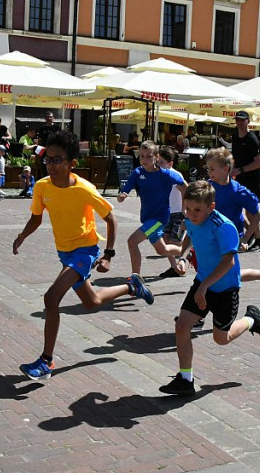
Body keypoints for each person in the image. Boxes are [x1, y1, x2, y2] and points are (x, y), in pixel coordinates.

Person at [12, 130, 155, 381]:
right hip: (65, 253)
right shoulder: (42, 187)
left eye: (58, 160)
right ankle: (132, 286)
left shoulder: (84, 189)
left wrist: (108, 254)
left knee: (51, 298)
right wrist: (23, 235)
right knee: (92, 302)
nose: (51, 164)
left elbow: (110, 218)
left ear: (72, 163)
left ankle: (46, 361)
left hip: (86, 250)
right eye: (48, 158)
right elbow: (36, 217)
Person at [159, 180, 260, 396]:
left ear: (211, 207)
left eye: (197, 210)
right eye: (188, 208)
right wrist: (182, 257)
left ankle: (251, 320)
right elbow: (189, 236)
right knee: (182, 326)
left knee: (221, 339)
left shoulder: (224, 227)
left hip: (226, 289)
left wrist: (204, 288)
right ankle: (185, 379)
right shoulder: (191, 220)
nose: (191, 214)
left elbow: (228, 262)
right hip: (203, 282)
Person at [204, 147, 260, 294]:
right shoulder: (208, 186)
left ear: (226, 169)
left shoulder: (238, 191)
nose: (209, 172)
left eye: (212, 169)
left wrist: (246, 238)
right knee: (217, 273)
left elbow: (258, 215)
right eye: (208, 169)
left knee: (225, 274)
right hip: (212, 236)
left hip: (230, 239)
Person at [117, 141, 187, 277]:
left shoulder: (166, 174)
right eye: (142, 156)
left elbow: (185, 186)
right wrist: (122, 196)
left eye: (149, 156)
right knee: (162, 250)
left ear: (156, 157)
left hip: (159, 219)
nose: (144, 160)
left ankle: (135, 278)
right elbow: (124, 191)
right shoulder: (137, 173)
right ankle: (186, 251)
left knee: (132, 242)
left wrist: (185, 208)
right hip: (147, 218)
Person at [230, 110, 260, 252]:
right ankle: (251, 235)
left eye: (242, 120)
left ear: (248, 121)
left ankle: (258, 240)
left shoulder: (251, 139)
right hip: (240, 178)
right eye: (237, 120)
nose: (239, 122)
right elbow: (235, 158)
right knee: (239, 209)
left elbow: (259, 162)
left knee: (252, 211)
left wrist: (241, 170)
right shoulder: (235, 137)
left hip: (253, 179)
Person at [157, 146, 187, 275]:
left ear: (170, 164)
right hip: (166, 213)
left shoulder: (174, 175)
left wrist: (185, 210)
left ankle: (187, 255)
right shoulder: (158, 175)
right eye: (157, 162)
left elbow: (185, 191)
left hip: (178, 213)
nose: (158, 165)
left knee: (175, 243)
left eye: (162, 162)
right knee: (165, 241)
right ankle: (174, 267)